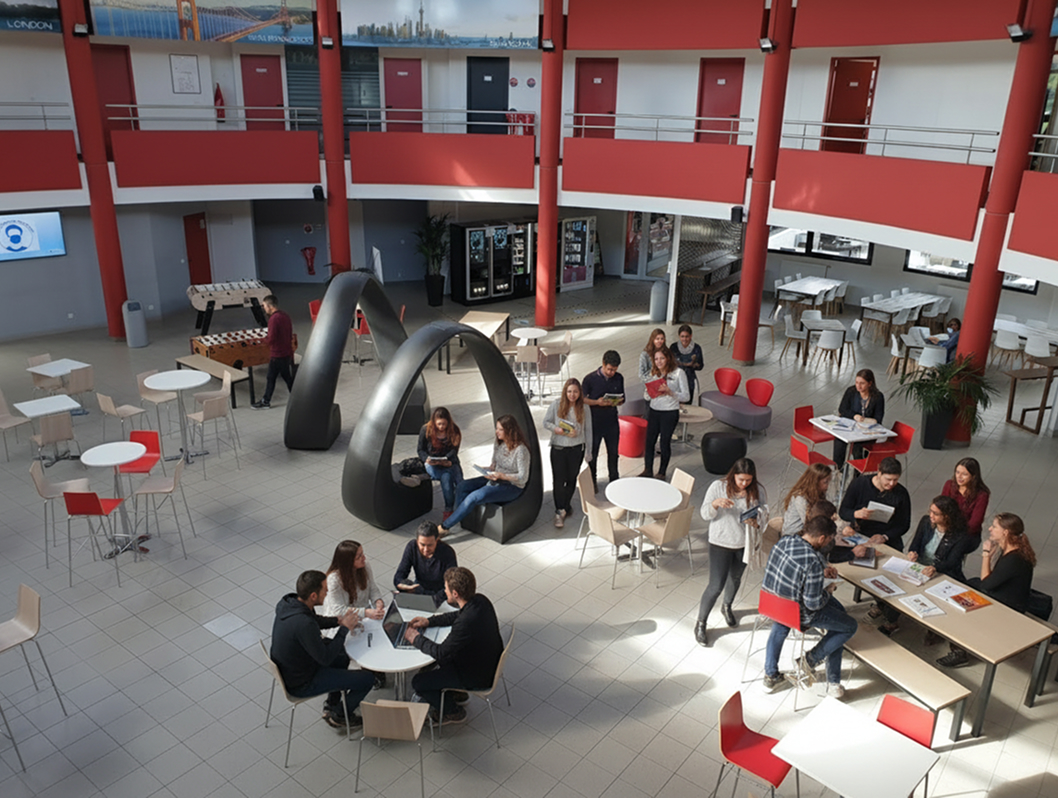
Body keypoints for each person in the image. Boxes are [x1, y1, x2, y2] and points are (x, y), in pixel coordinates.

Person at [762, 515, 857, 698]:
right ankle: (810, 660)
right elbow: (812, 604)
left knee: (838, 615)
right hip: (798, 613)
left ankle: (770, 675)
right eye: (829, 540)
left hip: (771, 602)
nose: (829, 543)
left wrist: (822, 571)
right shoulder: (812, 561)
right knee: (849, 626)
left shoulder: (785, 541)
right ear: (822, 538)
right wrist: (828, 590)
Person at [270, 570, 375, 729]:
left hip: (294, 666)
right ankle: (340, 715)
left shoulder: (290, 604)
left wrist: (337, 621)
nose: (327, 593)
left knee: (342, 654)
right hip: (301, 682)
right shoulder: (303, 624)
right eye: (324, 590)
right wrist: (344, 628)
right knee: (367, 679)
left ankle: (332, 703)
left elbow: (313, 620)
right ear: (313, 596)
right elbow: (325, 658)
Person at [406, 566, 503, 725]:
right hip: (485, 662)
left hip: (477, 676)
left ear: (455, 594)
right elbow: (457, 615)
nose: (444, 592)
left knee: (418, 682)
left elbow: (440, 652)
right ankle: (457, 694)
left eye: (446, 589)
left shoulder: (465, 624)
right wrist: (429, 621)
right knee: (436, 667)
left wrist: (415, 638)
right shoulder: (480, 600)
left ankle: (452, 712)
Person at [937, 513, 1036, 668]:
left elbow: (986, 584)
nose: (990, 529)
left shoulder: (1014, 559)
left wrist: (986, 555)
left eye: (994, 526)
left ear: (1005, 532)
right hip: (1003, 595)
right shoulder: (1011, 550)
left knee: (961, 604)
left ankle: (960, 652)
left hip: (1008, 607)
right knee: (969, 584)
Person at [695, 458, 768, 647]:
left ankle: (726, 606)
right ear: (733, 475)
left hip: (744, 543)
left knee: (735, 579)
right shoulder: (717, 487)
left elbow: (764, 514)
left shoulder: (757, 490)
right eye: (741, 479)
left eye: (748, 480)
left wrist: (756, 521)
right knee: (715, 585)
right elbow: (704, 514)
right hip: (720, 542)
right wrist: (715, 504)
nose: (744, 484)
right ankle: (701, 623)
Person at [879, 496, 974, 636]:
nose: (931, 516)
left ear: (947, 516)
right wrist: (913, 553)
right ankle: (891, 620)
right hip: (921, 565)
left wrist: (935, 567)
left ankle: (935, 630)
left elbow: (953, 561)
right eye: (931, 511)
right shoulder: (925, 522)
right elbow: (916, 542)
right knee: (895, 584)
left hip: (943, 571)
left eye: (936, 514)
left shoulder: (961, 535)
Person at [440, 415, 529, 534]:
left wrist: (502, 476)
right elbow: (493, 465)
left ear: (510, 430)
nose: (496, 432)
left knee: (474, 496)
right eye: (496, 428)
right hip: (495, 478)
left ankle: (445, 527)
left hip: (512, 486)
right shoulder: (499, 444)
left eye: (500, 429)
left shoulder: (521, 450)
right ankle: (458, 519)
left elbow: (523, 477)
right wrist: (485, 470)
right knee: (462, 486)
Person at [543, 378, 592, 528]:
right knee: (559, 480)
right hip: (559, 448)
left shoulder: (585, 408)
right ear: (565, 391)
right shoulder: (556, 404)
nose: (572, 395)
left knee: (571, 479)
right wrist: (557, 430)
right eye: (569, 391)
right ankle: (560, 510)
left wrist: (589, 451)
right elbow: (546, 422)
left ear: (580, 393)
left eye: (575, 392)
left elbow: (588, 430)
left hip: (576, 449)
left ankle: (565, 506)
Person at [838, 456, 911, 551]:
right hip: (862, 534)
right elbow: (843, 511)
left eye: (895, 480)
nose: (892, 484)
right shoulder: (860, 484)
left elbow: (904, 524)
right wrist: (856, 514)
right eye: (888, 479)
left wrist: (885, 536)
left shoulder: (901, 493)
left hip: (887, 537)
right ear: (879, 473)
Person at [321, 540, 386, 639]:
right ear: (348, 562)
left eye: (362, 553)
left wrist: (378, 601)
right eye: (359, 557)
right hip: (342, 623)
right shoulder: (334, 580)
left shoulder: (364, 565)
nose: (363, 558)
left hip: (363, 618)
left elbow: (372, 588)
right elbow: (338, 610)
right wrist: (366, 612)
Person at [641, 347, 689, 480]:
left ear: (668, 358)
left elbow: (686, 396)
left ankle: (662, 472)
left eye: (662, 358)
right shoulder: (653, 374)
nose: (659, 361)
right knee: (649, 441)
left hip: (669, 412)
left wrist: (670, 392)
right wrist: (649, 392)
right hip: (654, 411)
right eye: (656, 359)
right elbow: (647, 396)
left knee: (664, 442)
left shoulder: (679, 373)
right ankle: (647, 469)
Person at [582, 351, 625, 492]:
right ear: (603, 364)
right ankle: (592, 480)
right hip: (595, 422)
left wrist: (618, 401)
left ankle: (614, 479)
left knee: (613, 452)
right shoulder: (590, 379)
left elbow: (623, 397)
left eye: (614, 369)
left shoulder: (619, 378)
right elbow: (581, 399)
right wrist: (596, 402)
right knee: (593, 453)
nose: (611, 372)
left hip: (612, 421)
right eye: (609, 369)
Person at [393, 521, 458, 606]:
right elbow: (399, 575)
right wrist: (403, 586)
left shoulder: (447, 553)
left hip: (440, 595)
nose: (426, 549)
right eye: (422, 544)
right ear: (417, 541)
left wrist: (425, 595)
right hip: (419, 589)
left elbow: (451, 585)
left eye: (430, 545)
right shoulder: (412, 547)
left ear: (437, 540)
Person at [416, 407, 463, 522]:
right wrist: (426, 459)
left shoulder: (454, 430)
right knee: (446, 476)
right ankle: (450, 508)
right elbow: (420, 450)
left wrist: (447, 459)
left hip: (449, 461)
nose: (441, 427)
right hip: (432, 463)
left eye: (444, 424)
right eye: (439, 424)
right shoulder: (426, 430)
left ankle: (455, 507)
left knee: (457, 481)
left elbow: (454, 450)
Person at [832, 368, 884, 469]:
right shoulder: (851, 391)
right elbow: (842, 409)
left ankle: (858, 472)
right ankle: (838, 469)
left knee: (859, 447)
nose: (858, 386)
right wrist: (854, 416)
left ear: (870, 383)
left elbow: (878, 417)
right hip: (849, 426)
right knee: (839, 440)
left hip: (866, 431)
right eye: (856, 382)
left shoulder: (878, 397)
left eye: (862, 383)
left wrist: (868, 421)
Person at [252, 294, 294, 410]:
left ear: (270, 306)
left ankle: (266, 401)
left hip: (277, 354)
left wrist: (260, 341)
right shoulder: (285, 316)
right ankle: (296, 398)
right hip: (286, 352)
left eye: (264, 306)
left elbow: (271, 338)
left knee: (272, 377)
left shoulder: (274, 319)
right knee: (286, 377)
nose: (264, 308)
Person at [941, 457, 990, 541]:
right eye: (957, 472)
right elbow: (941, 507)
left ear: (973, 476)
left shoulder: (981, 495)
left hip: (967, 533)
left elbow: (975, 523)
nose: (959, 477)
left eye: (964, 474)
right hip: (947, 527)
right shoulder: (949, 485)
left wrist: (955, 533)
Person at [781, 463, 833, 536]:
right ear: (816, 481)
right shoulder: (801, 497)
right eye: (825, 482)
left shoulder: (819, 494)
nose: (827, 485)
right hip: (794, 534)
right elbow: (808, 521)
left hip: (809, 529)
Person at [670, 324, 704, 400]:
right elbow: (669, 363)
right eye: (682, 336)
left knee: (687, 401)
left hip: (689, 379)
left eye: (687, 336)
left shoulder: (697, 348)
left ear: (691, 336)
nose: (684, 339)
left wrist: (694, 365)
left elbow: (700, 366)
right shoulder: (673, 347)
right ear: (679, 336)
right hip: (675, 379)